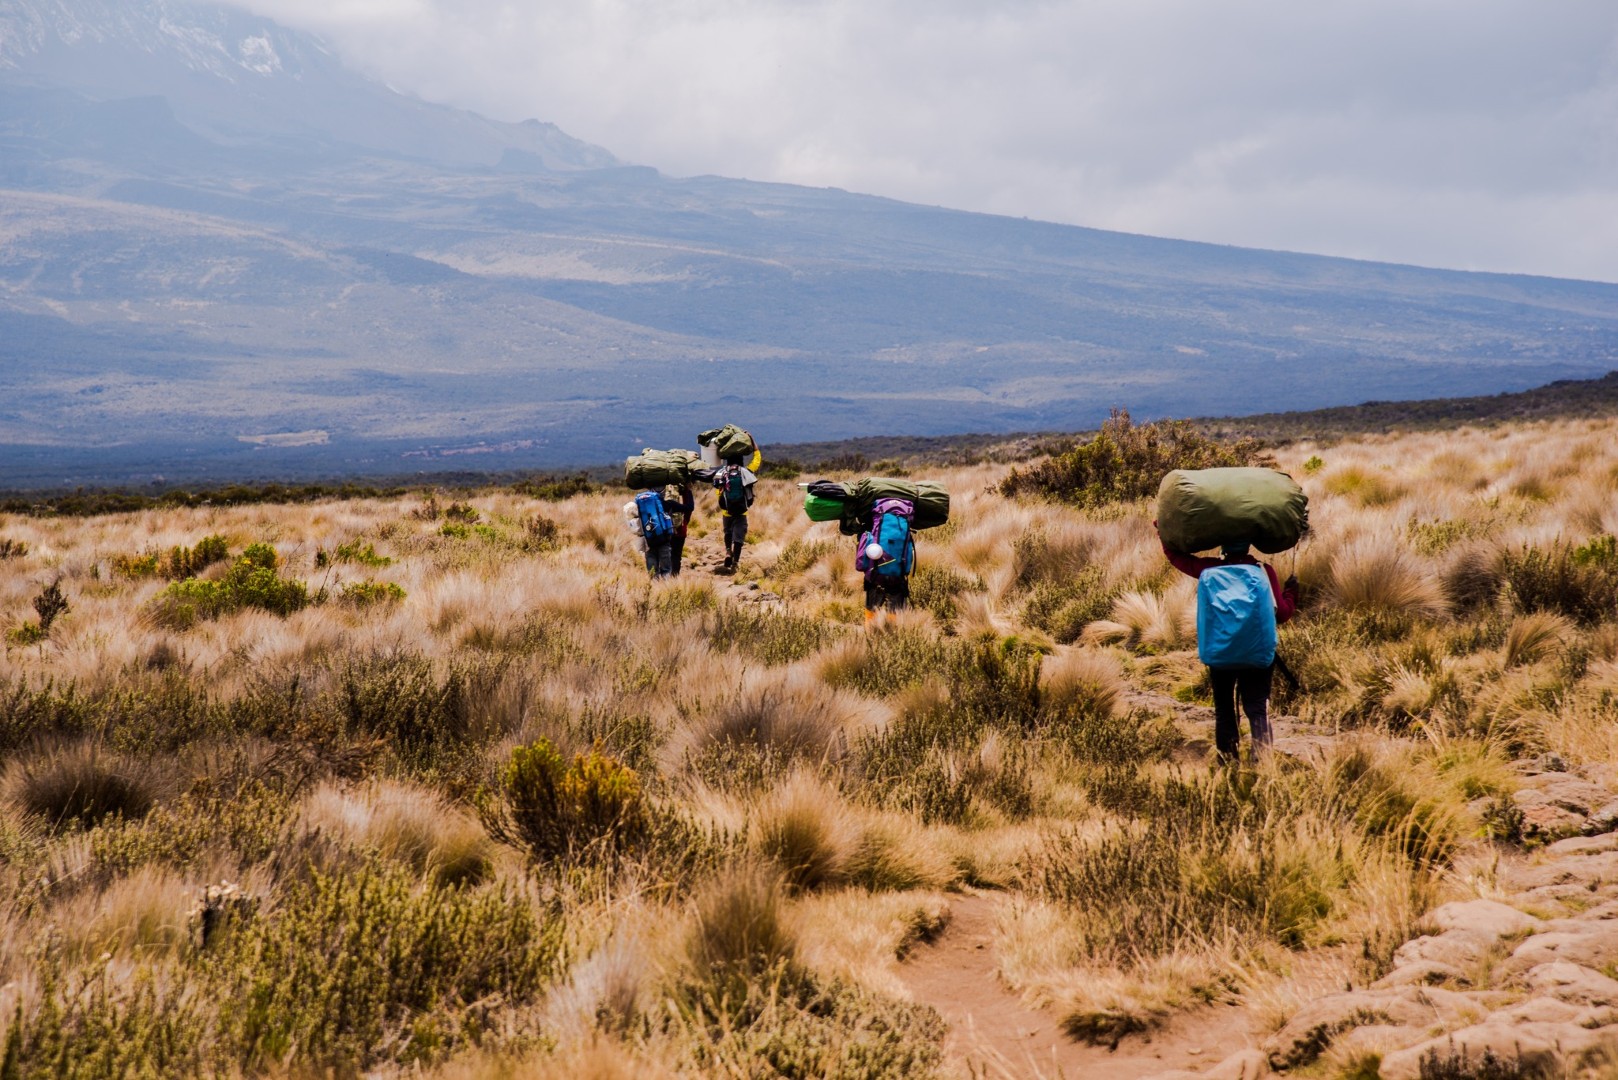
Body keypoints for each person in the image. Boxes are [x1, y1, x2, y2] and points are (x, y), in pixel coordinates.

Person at [1160, 527, 1299, 761]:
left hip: (1221, 654)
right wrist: (1291, 593)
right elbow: (1282, 614)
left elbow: (1177, 558)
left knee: (1224, 710)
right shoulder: (1264, 571)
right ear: (1249, 545)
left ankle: (1228, 762)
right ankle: (1262, 763)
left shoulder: (1210, 569)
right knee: (1256, 708)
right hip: (1257, 654)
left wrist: (1164, 531)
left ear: (1223, 546)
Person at [859, 497, 916, 620]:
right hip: (898, 571)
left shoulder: (876, 509)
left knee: (872, 605)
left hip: (875, 570)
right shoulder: (905, 515)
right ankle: (894, 632)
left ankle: (870, 631)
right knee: (895, 604)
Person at [712, 456, 756, 574]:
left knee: (728, 532)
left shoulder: (721, 473)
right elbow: (757, 460)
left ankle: (727, 551)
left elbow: (716, 487)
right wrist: (754, 446)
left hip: (727, 511)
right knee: (739, 538)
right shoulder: (745, 471)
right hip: (741, 511)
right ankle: (735, 562)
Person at [664, 482, 694, 576]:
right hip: (680, 528)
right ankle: (674, 578)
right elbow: (690, 508)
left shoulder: (661, 489)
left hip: (663, 528)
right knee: (676, 555)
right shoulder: (686, 491)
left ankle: (663, 579)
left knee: (664, 554)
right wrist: (685, 522)